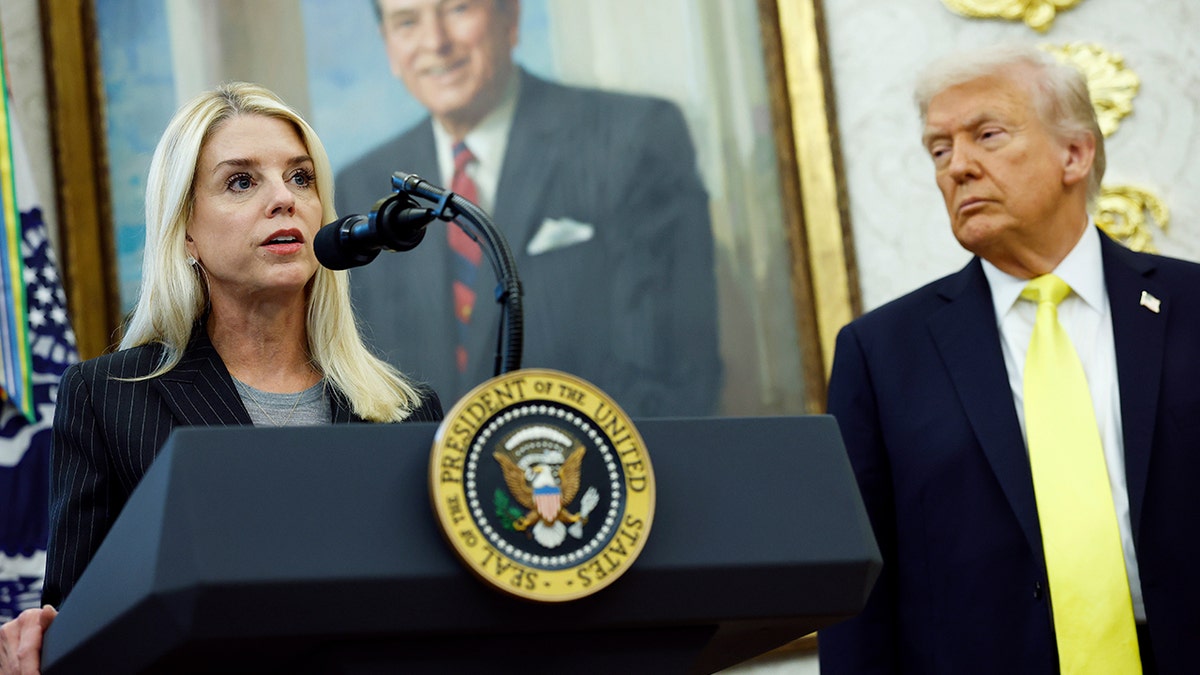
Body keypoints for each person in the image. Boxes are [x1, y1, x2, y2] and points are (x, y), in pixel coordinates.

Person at [0, 82, 442, 674]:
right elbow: (79, 627)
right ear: (185, 230)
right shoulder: (108, 400)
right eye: (241, 181)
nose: (284, 200)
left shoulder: (409, 413)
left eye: (301, 177)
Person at [818, 44, 1200, 673]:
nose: (957, 167)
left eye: (987, 136)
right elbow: (858, 592)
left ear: (1074, 154)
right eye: (939, 150)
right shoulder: (883, 355)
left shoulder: (1190, 307)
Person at [336, 0, 721, 417]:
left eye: (459, 9)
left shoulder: (634, 137)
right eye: (407, 22)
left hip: (589, 467)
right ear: (389, 46)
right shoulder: (362, 184)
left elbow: (674, 371)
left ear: (510, 17)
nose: (435, 42)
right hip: (417, 473)